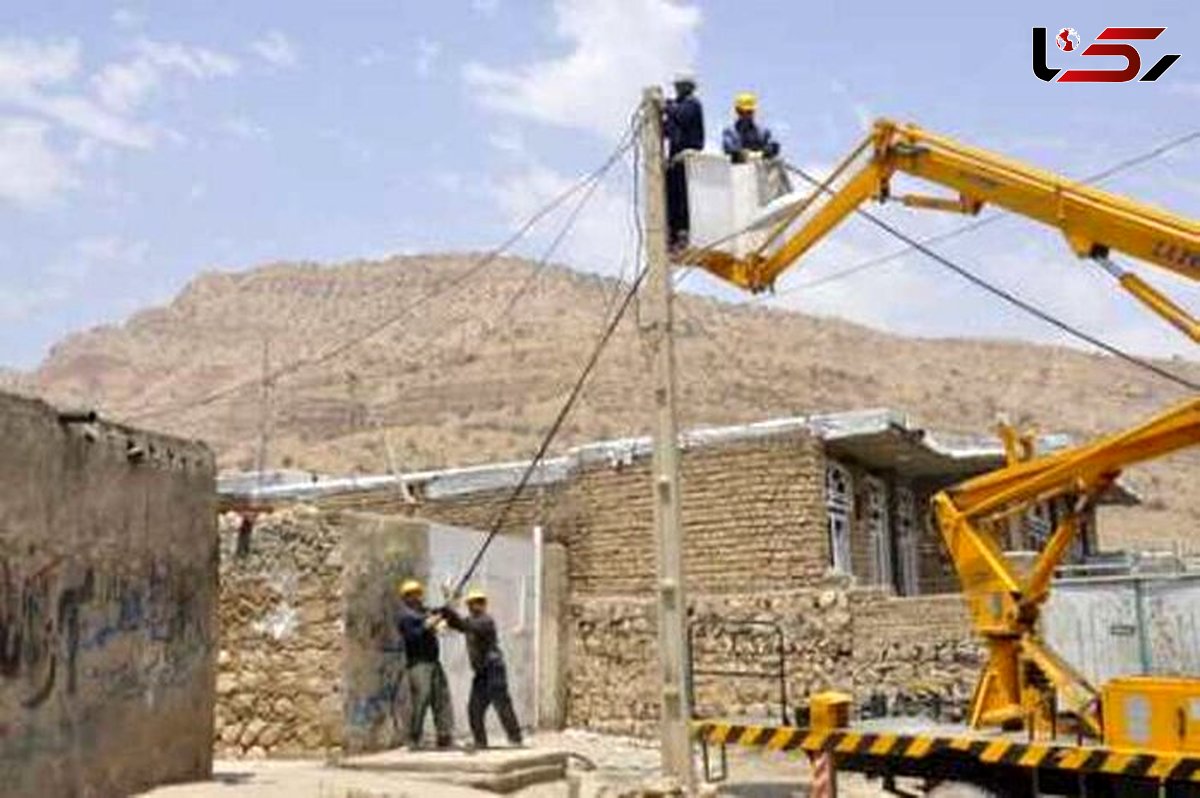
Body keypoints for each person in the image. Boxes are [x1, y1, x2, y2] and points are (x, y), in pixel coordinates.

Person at [438, 588, 523, 749]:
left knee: (502, 704)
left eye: (479, 603)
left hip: (493, 669)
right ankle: (480, 741)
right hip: (481, 672)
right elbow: (457, 624)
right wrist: (445, 612)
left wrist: (449, 611)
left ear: (483, 605)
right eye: (472, 603)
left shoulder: (485, 621)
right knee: (474, 709)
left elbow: (464, 625)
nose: (475, 606)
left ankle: (515, 738)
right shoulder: (470, 621)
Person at [396, 579, 454, 749]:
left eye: (418, 593)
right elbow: (413, 636)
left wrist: (448, 603)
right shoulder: (405, 616)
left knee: (441, 698)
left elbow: (442, 613)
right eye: (412, 594)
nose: (417, 597)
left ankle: (444, 736)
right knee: (421, 699)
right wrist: (428, 625)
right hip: (418, 663)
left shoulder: (424, 612)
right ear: (406, 598)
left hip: (433, 661)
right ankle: (414, 738)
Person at [663, 71, 704, 252]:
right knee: (672, 198)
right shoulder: (679, 106)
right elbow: (668, 129)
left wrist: (664, 105)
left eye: (680, 87)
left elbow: (681, 115)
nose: (678, 90)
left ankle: (682, 235)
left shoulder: (692, 104)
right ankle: (671, 235)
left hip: (687, 160)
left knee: (683, 199)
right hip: (676, 160)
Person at [721, 92, 780, 164]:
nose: (745, 116)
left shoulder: (763, 132)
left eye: (749, 112)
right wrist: (743, 155)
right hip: (737, 171)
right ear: (737, 111)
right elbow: (729, 149)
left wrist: (770, 150)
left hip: (759, 171)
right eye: (741, 112)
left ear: (753, 111)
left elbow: (773, 145)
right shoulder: (729, 132)